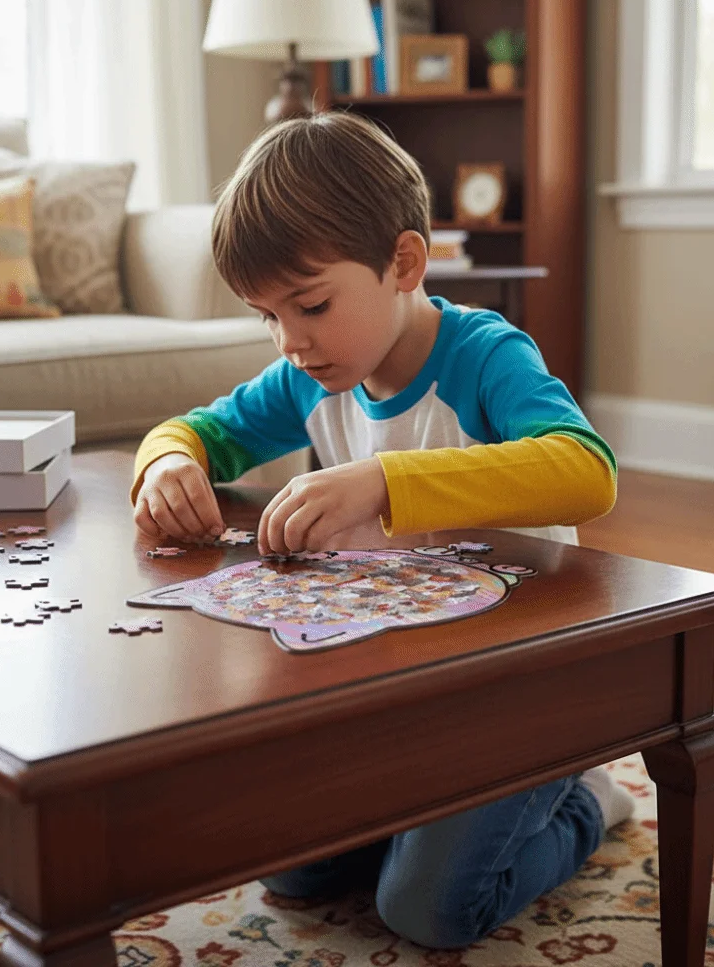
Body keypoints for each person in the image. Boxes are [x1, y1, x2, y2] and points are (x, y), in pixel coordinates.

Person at [130, 110, 633, 948]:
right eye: (267, 316)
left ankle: (585, 799)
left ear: (403, 263)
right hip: (404, 689)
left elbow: (588, 471)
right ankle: (420, 818)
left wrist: (386, 481)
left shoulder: (485, 355)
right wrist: (166, 464)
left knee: (427, 911)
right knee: (290, 869)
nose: (291, 341)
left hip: (529, 688)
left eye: (311, 305)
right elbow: (197, 430)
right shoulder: (308, 376)